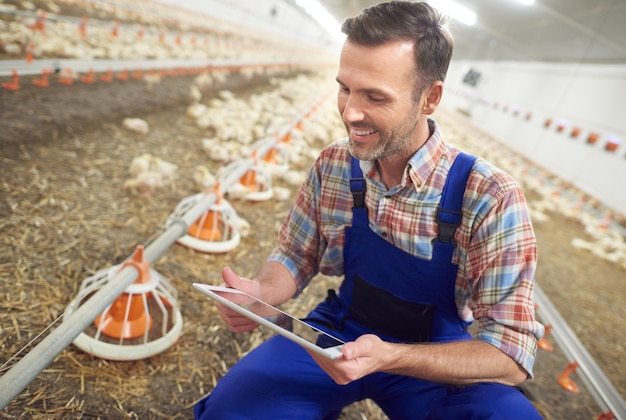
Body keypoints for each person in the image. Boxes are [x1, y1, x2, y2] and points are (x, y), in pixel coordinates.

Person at [194, 1, 545, 418]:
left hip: (436, 358)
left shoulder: (488, 197)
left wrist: (390, 356)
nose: (349, 112)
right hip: (340, 334)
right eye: (345, 88)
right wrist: (263, 294)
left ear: (429, 97)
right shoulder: (334, 166)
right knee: (235, 409)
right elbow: (296, 253)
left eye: (375, 96)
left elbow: (510, 351)